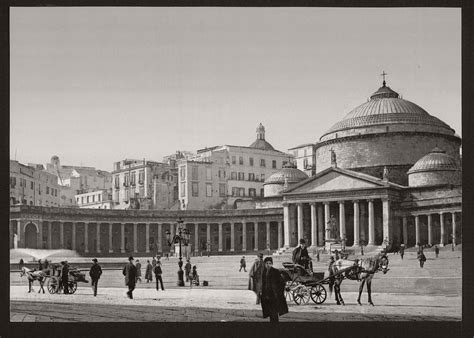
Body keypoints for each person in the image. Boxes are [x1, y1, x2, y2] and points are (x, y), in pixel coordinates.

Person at [260, 256, 288, 322]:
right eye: (267, 263)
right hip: (266, 295)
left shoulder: (276, 271)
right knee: (269, 312)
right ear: (264, 264)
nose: (268, 265)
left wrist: (278, 291)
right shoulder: (264, 272)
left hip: (274, 295)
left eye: (270, 263)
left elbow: (282, 283)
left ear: (272, 264)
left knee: (274, 313)